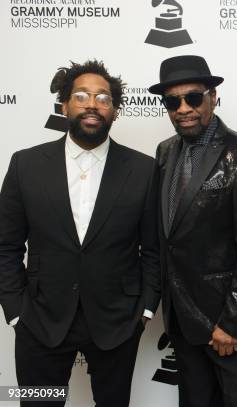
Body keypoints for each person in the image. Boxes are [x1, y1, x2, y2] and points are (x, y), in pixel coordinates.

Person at [0, 60, 160, 407]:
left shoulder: (144, 170)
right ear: (64, 105)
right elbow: (6, 246)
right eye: (82, 96)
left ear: (114, 110)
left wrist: (145, 310)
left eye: (103, 98)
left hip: (118, 321)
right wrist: (16, 311)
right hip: (39, 320)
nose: (92, 104)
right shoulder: (25, 165)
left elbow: (154, 251)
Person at [149, 55, 237, 407]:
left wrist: (232, 323)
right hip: (182, 321)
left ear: (213, 97)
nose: (183, 108)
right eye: (173, 101)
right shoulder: (165, 151)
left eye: (193, 98)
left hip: (225, 323)